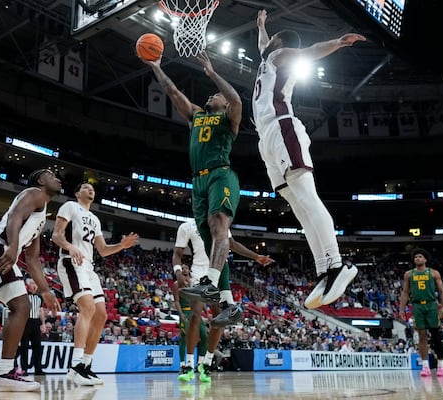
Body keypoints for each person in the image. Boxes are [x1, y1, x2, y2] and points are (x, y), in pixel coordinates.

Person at [252, 9, 366, 309]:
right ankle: (324, 270)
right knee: (298, 206)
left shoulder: (280, 56)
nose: (268, 42)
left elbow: (310, 51)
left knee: (307, 197)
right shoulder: (268, 57)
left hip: (282, 127)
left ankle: (340, 264)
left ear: (280, 42)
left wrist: (338, 42)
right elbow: (263, 44)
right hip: (267, 139)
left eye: (272, 38)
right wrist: (262, 25)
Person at [141, 51, 243, 316]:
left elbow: (235, 98)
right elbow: (172, 92)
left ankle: (209, 284)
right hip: (198, 182)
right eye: (210, 93)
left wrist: (212, 73)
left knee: (219, 225)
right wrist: (156, 67)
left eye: (215, 95)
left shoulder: (229, 120)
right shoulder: (196, 116)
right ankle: (229, 304)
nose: (211, 95)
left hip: (221, 174)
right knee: (213, 242)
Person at [0, 169, 62, 392]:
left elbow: (32, 259)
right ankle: (4, 372)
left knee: (21, 306)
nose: (57, 177)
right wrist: (12, 247)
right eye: (51, 175)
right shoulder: (34, 193)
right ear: (41, 181)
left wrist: (46, 291)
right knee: (21, 305)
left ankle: (3, 371)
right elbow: (13, 217)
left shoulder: (41, 214)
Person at [52, 182, 139, 386]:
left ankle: (86, 364)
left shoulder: (95, 219)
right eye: (84, 187)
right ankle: (75, 365)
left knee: (101, 315)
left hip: (89, 266)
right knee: (88, 308)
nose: (90, 189)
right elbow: (57, 235)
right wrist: (69, 247)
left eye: (92, 188)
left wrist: (121, 245)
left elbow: (103, 250)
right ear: (77, 193)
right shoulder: (70, 206)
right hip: (71, 261)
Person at [173, 219, 274, 382]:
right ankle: (188, 365)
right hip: (199, 271)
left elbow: (232, 244)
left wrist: (256, 257)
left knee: (220, 318)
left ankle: (206, 363)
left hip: (219, 270)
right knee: (195, 315)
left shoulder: (219, 222)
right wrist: (178, 273)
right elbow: (177, 253)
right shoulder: (187, 226)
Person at [399, 248, 443, 377]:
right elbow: (405, 293)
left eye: (420, 256)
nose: (417, 258)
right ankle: (425, 366)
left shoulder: (433, 273)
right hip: (417, 306)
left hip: (431, 305)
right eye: (415, 257)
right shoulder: (409, 274)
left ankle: (441, 365)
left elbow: (441, 291)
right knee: (422, 336)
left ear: (425, 259)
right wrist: (401, 308)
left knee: (436, 335)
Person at [173, 264, 208, 382]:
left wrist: (206, 313)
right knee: (184, 338)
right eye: (182, 268)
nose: (184, 270)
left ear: (189, 270)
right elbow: (177, 301)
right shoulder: (176, 284)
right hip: (185, 312)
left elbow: (201, 300)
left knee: (205, 336)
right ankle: (183, 365)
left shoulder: (194, 282)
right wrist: (181, 314)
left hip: (196, 312)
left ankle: (201, 364)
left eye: (186, 268)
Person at [18, 279, 45, 375]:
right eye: (33, 283)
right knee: (24, 346)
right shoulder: (24, 296)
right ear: (28, 285)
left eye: (36, 284)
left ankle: (38, 368)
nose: (35, 286)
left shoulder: (39, 298)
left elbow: (41, 311)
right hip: (26, 322)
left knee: (37, 347)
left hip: (36, 322)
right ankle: (24, 368)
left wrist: (43, 323)